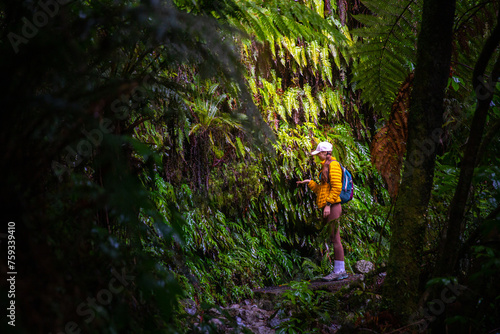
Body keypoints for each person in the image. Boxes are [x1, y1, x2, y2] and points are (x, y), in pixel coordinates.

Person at [296, 141, 348, 281]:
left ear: (326, 153)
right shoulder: (325, 166)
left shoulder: (334, 165)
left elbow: (337, 187)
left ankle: (340, 271)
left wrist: (328, 205)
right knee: (332, 237)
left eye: (319, 153)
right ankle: (338, 270)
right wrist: (310, 183)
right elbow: (323, 190)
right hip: (329, 205)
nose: (318, 155)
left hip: (333, 206)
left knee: (335, 238)